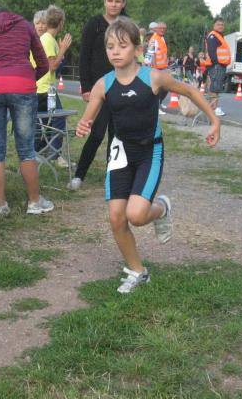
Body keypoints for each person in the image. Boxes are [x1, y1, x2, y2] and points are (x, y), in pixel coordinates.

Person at [76, 17, 220, 294]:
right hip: (120, 153)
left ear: (137, 49)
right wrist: (84, 124)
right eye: (110, 47)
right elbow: (89, 117)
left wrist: (214, 121)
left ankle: (162, 208)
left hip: (148, 151)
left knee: (137, 215)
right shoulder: (103, 85)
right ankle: (138, 271)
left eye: (122, 46)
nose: (115, 52)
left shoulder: (153, 78)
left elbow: (189, 90)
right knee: (117, 218)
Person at [0, 7, 54, 215]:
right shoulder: (25, 26)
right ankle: (34, 202)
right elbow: (43, 63)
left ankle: (1, 206)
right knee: (26, 148)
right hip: (22, 86)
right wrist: (27, 78)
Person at [71, 0, 128, 191]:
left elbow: (133, 54)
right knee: (96, 133)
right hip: (99, 88)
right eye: (110, 0)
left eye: (117, 1)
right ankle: (79, 175)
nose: (114, 4)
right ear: (104, 2)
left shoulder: (126, 25)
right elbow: (84, 56)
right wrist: (86, 87)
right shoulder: (94, 24)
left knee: (117, 135)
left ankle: (112, 176)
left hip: (122, 86)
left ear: (123, 3)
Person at [32, 5, 73, 164]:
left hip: (41, 87)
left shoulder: (48, 39)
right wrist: (63, 50)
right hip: (44, 88)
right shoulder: (48, 40)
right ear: (60, 23)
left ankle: (38, 152)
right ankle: (54, 154)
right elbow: (51, 67)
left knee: (42, 122)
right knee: (59, 118)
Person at [205, 17, 231, 116]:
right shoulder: (213, 36)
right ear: (214, 25)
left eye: (222, 25)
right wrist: (216, 63)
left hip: (219, 65)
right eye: (218, 24)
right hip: (216, 66)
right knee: (214, 88)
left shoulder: (219, 36)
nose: (221, 26)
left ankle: (213, 108)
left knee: (216, 88)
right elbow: (212, 51)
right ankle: (214, 109)